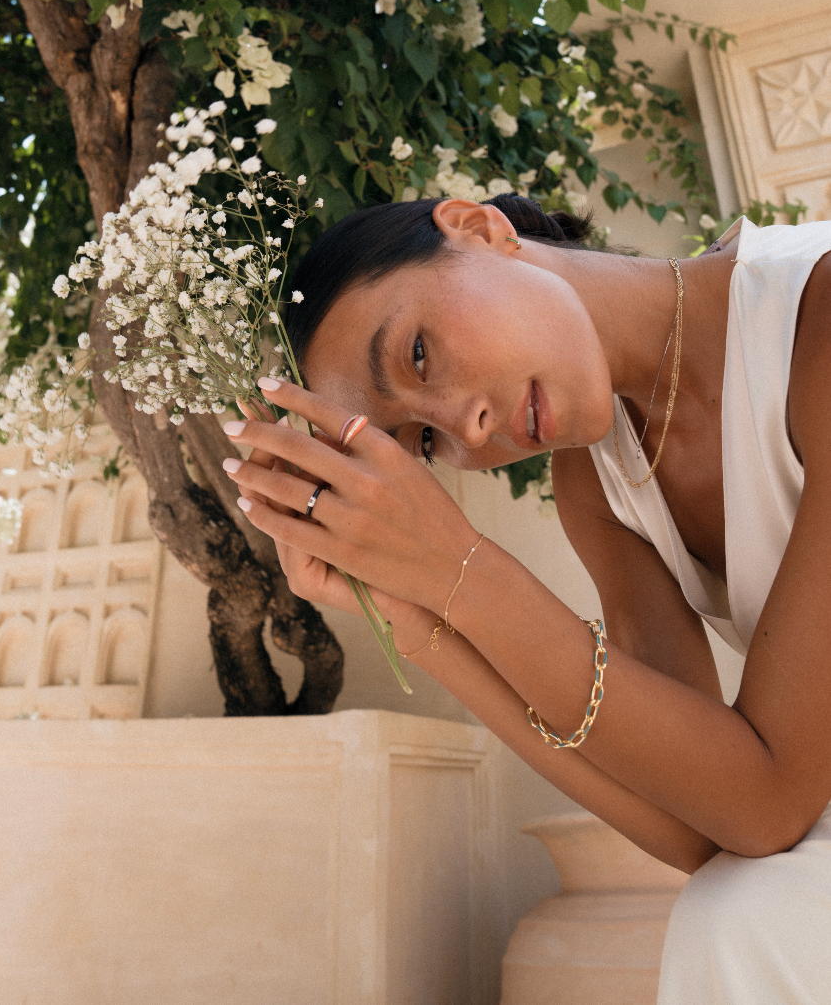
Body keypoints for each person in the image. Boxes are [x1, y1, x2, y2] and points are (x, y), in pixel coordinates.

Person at [222, 193, 831, 1004]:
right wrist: (419, 621)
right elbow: (702, 825)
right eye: (425, 444)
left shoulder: (816, 318)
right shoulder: (599, 483)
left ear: (478, 228)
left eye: (417, 356)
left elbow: (768, 801)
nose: (468, 428)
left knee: (742, 922)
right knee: (731, 911)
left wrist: (461, 570)